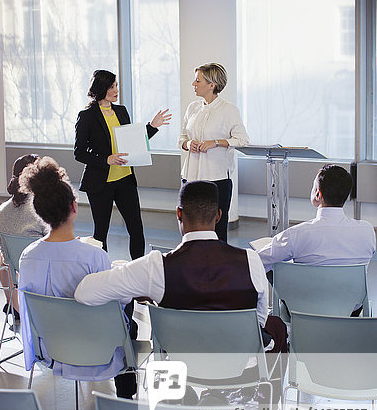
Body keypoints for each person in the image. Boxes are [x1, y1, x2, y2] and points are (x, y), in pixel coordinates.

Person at [74, 181, 287, 354]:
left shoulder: (156, 267)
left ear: (178, 213)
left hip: (181, 363)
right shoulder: (251, 261)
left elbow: (85, 293)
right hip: (240, 364)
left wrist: (144, 289)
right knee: (276, 326)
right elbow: (258, 322)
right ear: (219, 216)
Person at [17, 156, 135, 398]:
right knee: (128, 306)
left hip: (53, 347)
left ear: (39, 212)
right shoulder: (93, 255)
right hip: (97, 350)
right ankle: (126, 394)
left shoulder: (28, 256)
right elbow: (114, 305)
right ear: (73, 207)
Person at [74, 69, 171, 260]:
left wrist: (152, 127)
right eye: (112, 86)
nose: (116, 90)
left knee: (136, 227)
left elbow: (133, 142)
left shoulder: (121, 111)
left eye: (116, 85)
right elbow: (79, 152)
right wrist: (106, 159)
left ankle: (138, 267)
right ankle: (102, 271)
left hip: (125, 179)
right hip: (100, 183)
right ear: (101, 88)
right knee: (101, 232)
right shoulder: (86, 116)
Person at [258, 164, 376, 272]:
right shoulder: (367, 230)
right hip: (352, 294)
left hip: (305, 295)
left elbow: (258, 261)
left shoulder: (296, 234)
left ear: (318, 195)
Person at [178, 63, 249, 242]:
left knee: (217, 229)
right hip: (190, 176)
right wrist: (188, 143)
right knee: (189, 226)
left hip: (216, 179)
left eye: (197, 81)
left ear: (212, 85)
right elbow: (182, 137)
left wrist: (216, 143)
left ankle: (219, 264)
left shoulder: (229, 110)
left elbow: (242, 140)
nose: (193, 84)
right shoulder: (192, 108)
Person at [0, 154, 49, 318]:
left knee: (3, 261)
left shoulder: (2, 211)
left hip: (18, 268)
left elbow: (4, 262)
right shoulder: (41, 212)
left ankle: (12, 304)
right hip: (42, 271)